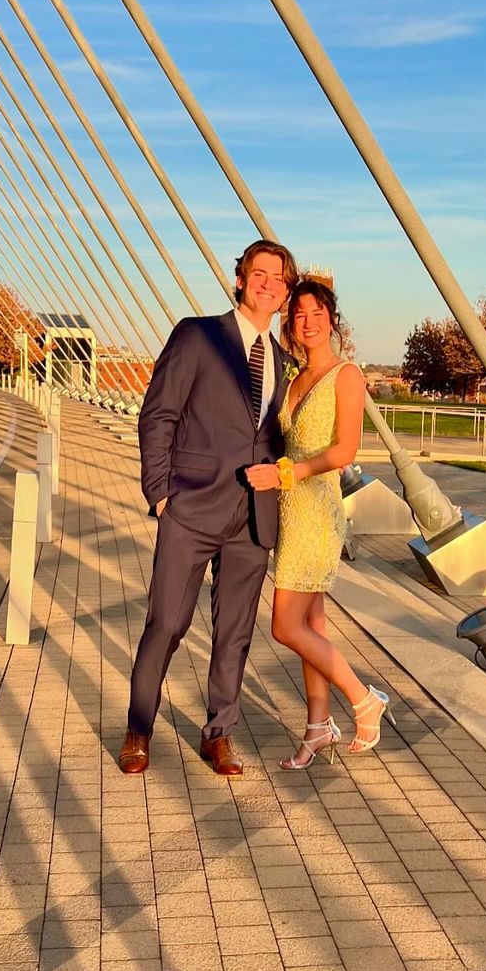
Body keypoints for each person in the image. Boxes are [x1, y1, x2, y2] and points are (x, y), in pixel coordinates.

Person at [120, 239, 298, 777]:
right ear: (240, 278)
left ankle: (218, 734)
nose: (269, 284)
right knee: (167, 622)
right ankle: (138, 729)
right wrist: (159, 493)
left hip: (252, 518)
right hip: (191, 507)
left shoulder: (285, 361)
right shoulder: (197, 335)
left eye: (279, 278)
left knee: (235, 633)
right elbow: (158, 414)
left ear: (286, 292)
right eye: (259, 274)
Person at [246, 280, 395, 768]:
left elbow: (345, 450)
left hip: (317, 513)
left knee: (285, 625)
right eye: (299, 314)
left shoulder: (346, 375)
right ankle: (318, 726)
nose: (307, 322)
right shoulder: (293, 377)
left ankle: (363, 699)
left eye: (316, 313)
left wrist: (287, 473)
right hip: (289, 511)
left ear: (332, 319)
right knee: (312, 625)